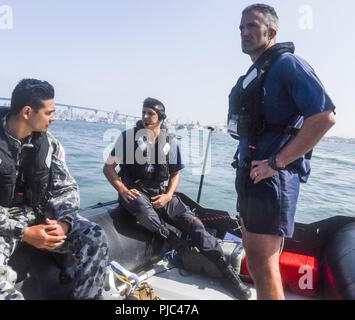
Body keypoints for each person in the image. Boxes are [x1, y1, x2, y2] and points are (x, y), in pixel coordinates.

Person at [0, 79, 109, 300]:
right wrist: (23, 232)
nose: (53, 118)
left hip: (37, 217)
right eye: (49, 112)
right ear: (27, 112)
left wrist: (64, 223)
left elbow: (66, 189)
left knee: (95, 236)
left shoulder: (50, 145)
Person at [228, 4, 336, 299]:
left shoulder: (289, 64)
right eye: (241, 27)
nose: (244, 32)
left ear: (272, 32)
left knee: (263, 265)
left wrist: (276, 163)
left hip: (271, 180)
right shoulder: (257, 71)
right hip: (251, 176)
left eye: (252, 26)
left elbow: (324, 117)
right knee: (256, 258)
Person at [104, 97, 251, 300]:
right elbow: (108, 168)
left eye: (150, 113)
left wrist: (168, 195)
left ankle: (229, 275)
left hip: (160, 194)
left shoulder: (169, 143)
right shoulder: (128, 139)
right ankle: (173, 240)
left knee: (195, 224)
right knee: (142, 208)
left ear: (161, 118)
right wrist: (121, 189)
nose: (145, 117)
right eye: (143, 112)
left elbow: (175, 174)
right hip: (135, 194)